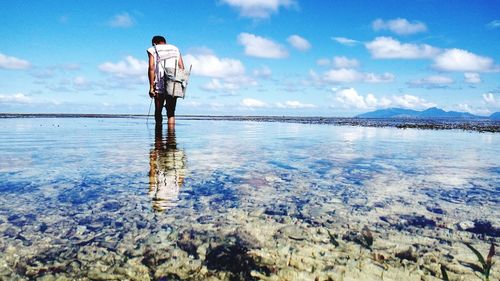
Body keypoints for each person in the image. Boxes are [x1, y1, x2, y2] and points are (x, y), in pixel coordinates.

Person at [147, 35, 184, 128]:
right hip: (173, 83)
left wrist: (151, 87)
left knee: (158, 111)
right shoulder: (175, 48)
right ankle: (171, 139)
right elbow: (182, 67)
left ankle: (158, 139)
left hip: (160, 82)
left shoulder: (153, 49)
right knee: (171, 113)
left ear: (154, 43)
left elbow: (151, 68)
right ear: (165, 42)